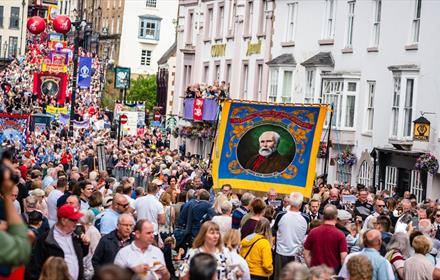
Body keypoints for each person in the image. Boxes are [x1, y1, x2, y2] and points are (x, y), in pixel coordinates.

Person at [26, 204, 90, 280]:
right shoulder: (46, 239)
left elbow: (79, 256)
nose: (77, 223)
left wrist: (85, 245)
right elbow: (34, 268)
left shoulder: (75, 235)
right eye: (74, 220)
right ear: (63, 220)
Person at [0, 166, 31, 266]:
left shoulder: (16, 203)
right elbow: (22, 251)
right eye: (11, 195)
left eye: (15, 195)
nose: (13, 198)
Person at [272, 192, 307, 279]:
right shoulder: (305, 218)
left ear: (290, 202)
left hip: (281, 253)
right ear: (300, 204)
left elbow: (273, 230)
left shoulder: (281, 215)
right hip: (295, 254)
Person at [304, 204, 348, 272]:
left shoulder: (313, 232)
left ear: (323, 216)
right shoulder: (340, 234)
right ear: (336, 217)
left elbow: (306, 253)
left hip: (316, 272)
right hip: (332, 273)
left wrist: (312, 268)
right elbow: (343, 257)